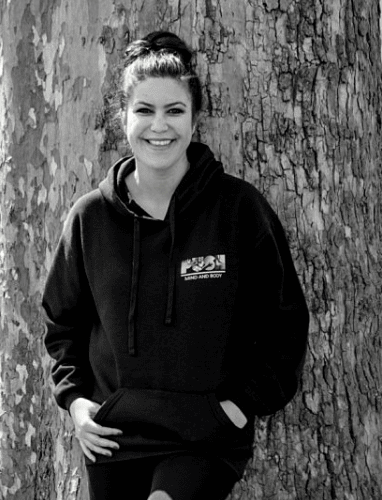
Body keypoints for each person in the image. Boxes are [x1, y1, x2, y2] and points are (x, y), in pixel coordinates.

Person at [42, 31, 309, 500]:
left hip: (206, 434)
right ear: (123, 117)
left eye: (174, 110)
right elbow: (62, 323)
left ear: (194, 118)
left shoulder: (238, 209)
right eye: (144, 110)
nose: (158, 126)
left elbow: (284, 320)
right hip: (115, 434)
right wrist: (77, 403)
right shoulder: (90, 217)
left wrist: (241, 405)